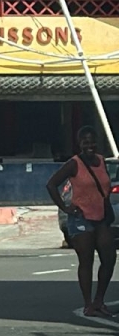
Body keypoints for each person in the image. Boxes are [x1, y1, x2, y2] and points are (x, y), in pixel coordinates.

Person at [46, 125, 115, 317]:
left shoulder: (101, 161)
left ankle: (99, 300)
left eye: (92, 140)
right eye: (85, 141)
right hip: (80, 217)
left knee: (109, 259)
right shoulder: (74, 163)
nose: (89, 144)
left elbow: (105, 187)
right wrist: (65, 207)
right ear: (80, 143)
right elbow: (51, 184)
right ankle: (88, 304)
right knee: (86, 261)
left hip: (101, 217)